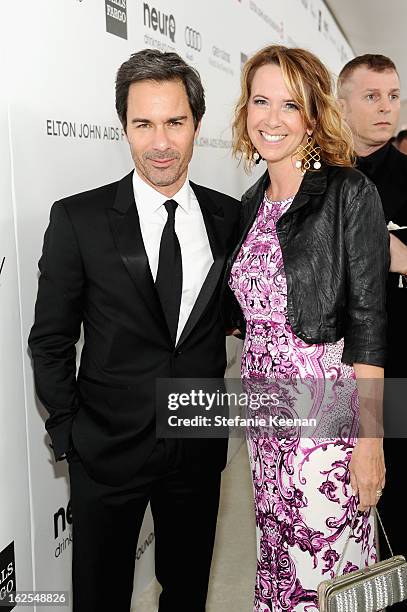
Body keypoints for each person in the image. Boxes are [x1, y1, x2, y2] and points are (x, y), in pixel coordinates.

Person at [28, 49, 239, 612]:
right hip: (106, 450)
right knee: (100, 598)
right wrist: (72, 433)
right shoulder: (79, 219)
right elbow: (49, 340)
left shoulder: (229, 218)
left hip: (196, 442)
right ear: (123, 126)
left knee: (188, 591)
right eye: (143, 124)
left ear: (197, 123)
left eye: (174, 122)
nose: (160, 142)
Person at [227, 45, 389, 612]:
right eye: (260, 101)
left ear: (314, 115)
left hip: (327, 425)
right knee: (277, 561)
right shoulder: (250, 204)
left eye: (290, 105)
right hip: (267, 421)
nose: (272, 118)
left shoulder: (348, 191)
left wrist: (370, 443)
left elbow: (369, 323)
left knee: (326, 576)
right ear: (245, 110)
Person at [338, 54, 407, 608]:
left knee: (396, 520)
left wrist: (388, 250)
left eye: (393, 95)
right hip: (325, 381)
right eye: (372, 96)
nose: (386, 107)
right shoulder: (315, 177)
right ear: (342, 104)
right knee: (336, 529)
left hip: (397, 377)